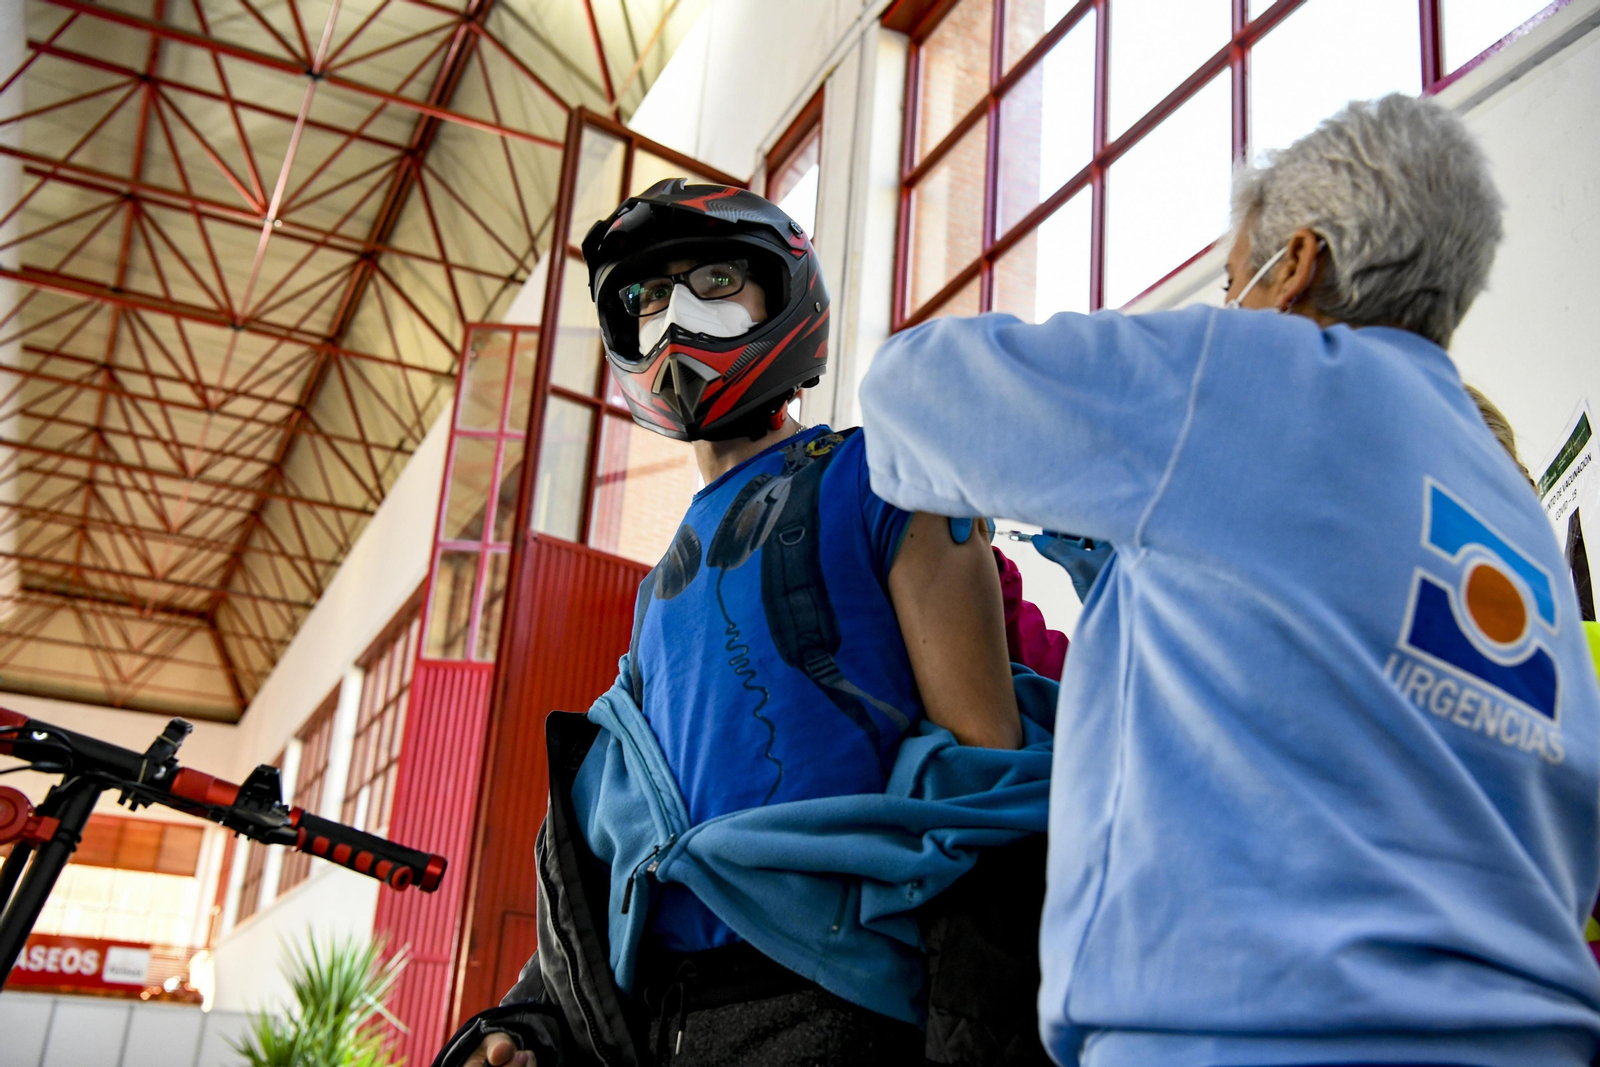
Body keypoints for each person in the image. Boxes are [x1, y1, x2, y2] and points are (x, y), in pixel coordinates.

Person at [859, 93, 1600, 1067]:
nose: (1228, 305)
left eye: (1230, 275)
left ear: (1295, 264)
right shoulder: (1513, 523)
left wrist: (1126, 429)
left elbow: (912, 391)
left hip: (1248, 1034)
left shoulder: (1257, 369)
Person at [435, 181, 1056, 1067]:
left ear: (783, 293)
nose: (674, 315)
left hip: (842, 999)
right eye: (644, 298)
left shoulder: (885, 477)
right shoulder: (656, 591)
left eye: (715, 277)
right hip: (671, 1023)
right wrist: (534, 1017)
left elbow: (985, 788)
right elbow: (629, 835)